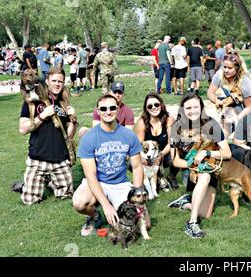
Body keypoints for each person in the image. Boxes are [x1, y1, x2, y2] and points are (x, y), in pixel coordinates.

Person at [72, 94, 143, 236]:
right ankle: (95, 216)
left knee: (142, 223)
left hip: (120, 183)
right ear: (98, 111)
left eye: (112, 108)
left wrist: (137, 196)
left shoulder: (128, 135)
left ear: (117, 109)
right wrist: (106, 205)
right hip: (98, 182)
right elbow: (90, 176)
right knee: (79, 203)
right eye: (103, 108)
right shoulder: (89, 138)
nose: (108, 111)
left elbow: (137, 168)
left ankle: (116, 208)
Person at [167, 93, 231, 238]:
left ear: (201, 107)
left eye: (196, 106)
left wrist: (206, 154)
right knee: (204, 176)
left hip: (211, 167)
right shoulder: (176, 129)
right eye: (188, 107)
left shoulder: (211, 124)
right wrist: (196, 165)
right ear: (182, 109)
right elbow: (175, 161)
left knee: (206, 214)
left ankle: (185, 203)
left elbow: (227, 153)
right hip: (189, 172)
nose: (192, 111)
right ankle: (192, 223)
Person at [19, 67, 77, 205]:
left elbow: (70, 135)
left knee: (66, 195)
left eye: (60, 81)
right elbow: (22, 129)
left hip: (60, 159)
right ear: (47, 81)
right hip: (38, 158)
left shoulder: (64, 103)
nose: (57, 84)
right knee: (29, 200)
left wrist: (73, 119)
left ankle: (50, 182)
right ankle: (28, 184)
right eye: (54, 81)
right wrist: (43, 115)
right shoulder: (34, 102)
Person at [134, 93, 178, 189]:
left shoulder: (169, 120)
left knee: (177, 150)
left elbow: (171, 142)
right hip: (148, 155)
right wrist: (143, 157)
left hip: (165, 154)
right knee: (133, 159)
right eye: (150, 106)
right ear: (146, 109)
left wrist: (161, 154)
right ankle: (146, 178)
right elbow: (138, 144)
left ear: (161, 105)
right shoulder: (142, 122)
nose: (154, 108)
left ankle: (171, 176)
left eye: (156, 105)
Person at [206, 51, 251, 137]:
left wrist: (236, 120)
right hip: (227, 111)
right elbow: (210, 92)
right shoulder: (219, 74)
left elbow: (250, 106)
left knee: (242, 140)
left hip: (243, 111)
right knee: (220, 137)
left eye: (230, 68)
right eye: (224, 67)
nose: (226, 70)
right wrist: (217, 101)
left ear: (237, 68)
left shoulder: (245, 81)